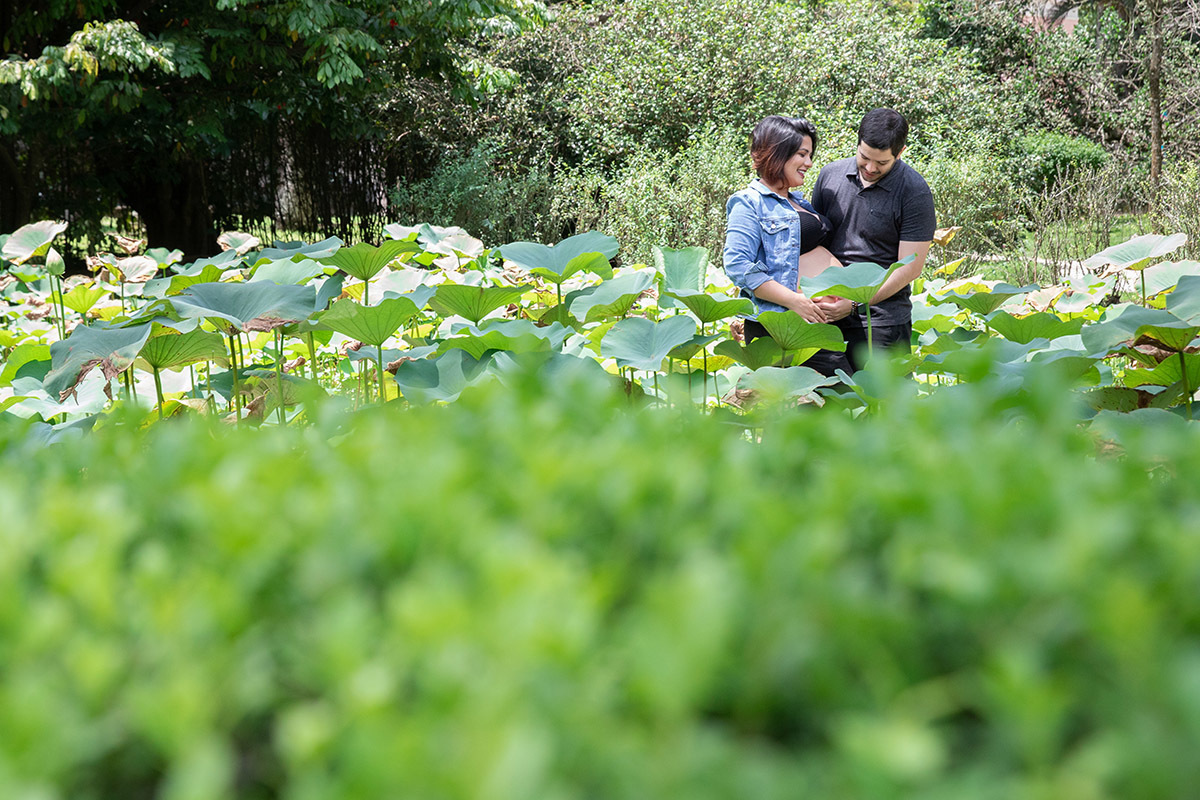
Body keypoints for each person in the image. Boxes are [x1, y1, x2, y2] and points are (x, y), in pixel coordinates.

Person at [722, 115, 850, 376]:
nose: (809, 163)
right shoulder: (748, 202)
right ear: (778, 153)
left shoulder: (799, 202)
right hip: (783, 326)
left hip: (814, 323)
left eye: (810, 155)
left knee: (833, 406)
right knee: (831, 402)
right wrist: (795, 301)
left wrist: (848, 301)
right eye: (802, 154)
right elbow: (737, 264)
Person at [809, 108, 935, 371]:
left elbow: (911, 266)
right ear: (857, 143)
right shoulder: (829, 176)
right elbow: (813, 242)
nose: (869, 167)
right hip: (826, 315)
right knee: (828, 406)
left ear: (899, 153)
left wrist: (855, 304)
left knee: (884, 407)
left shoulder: (914, 191)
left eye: (881, 163)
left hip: (882, 322)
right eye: (864, 157)